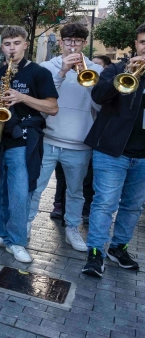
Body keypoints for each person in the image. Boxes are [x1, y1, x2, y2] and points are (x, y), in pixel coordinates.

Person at [0, 26, 58, 263]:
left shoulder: (38, 73)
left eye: (16, 43)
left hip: (23, 139)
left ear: (25, 45)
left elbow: (52, 107)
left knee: (20, 193)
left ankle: (17, 241)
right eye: (7, 44)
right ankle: (0, 234)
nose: (11, 48)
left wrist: (22, 97)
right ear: (1, 47)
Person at [27, 23, 103, 251]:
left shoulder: (96, 70)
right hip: (48, 139)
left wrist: (86, 80)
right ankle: (27, 223)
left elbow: (100, 106)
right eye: (68, 41)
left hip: (79, 143)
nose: (73, 45)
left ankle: (72, 228)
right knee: (35, 186)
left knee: (75, 191)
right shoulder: (46, 68)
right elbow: (41, 103)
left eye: (77, 41)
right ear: (60, 42)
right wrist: (61, 72)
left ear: (84, 43)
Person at [81, 23, 145, 277]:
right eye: (142, 42)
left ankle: (118, 248)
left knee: (132, 206)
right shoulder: (117, 69)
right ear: (136, 44)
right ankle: (95, 252)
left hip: (142, 155)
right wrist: (124, 77)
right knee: (105, 203)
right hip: (111, 150)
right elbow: (97, 95)